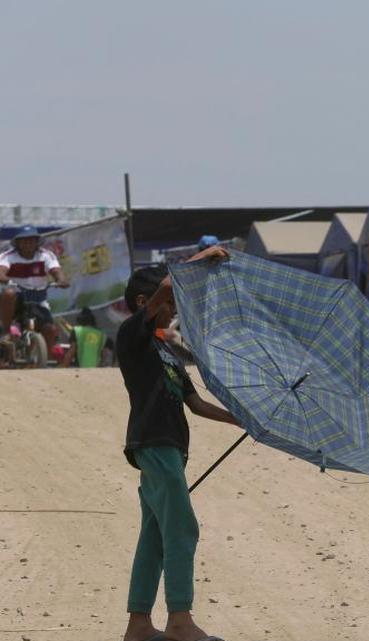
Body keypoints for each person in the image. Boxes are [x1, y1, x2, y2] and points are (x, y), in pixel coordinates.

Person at [116, 244, 239, 641]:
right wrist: (202, 257)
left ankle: (138, 626)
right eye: (170, 301)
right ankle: (180, 622)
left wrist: (241, 421)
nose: (174, 308)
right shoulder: (132, 335)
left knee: (154, 536)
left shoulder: (166, 350)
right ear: (144, 301)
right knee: (183, 529)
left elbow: (196, 403)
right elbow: (169, 282)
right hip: (154, 444)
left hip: (168, 452)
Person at [0, 225, 70, 349]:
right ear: (18, 243)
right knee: (9, 293)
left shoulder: (46, 255)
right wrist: (6, 279)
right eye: (24, 240)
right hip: (18, 299)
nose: (28, 243)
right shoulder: (8, 256)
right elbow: (1, 271)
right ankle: (6, 332)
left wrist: (61, 280)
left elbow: (57, 271)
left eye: (31, 240)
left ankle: (43, 361)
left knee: (50, 330)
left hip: (39, 300)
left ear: (37, 242)